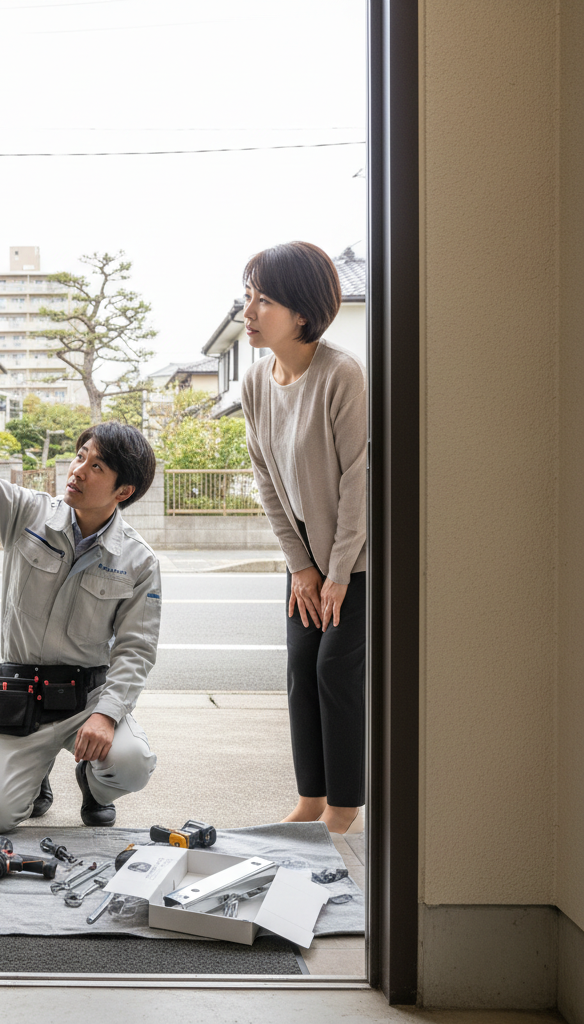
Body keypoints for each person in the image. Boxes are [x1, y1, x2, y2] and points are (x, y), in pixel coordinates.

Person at [0, 368, 161, 833]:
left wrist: (105, 714)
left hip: (88, 696)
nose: (77, 470)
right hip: (24, 693)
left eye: (96, 466)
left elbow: (135, 650)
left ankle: (93, 783)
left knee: (132, 762)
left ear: (124, 491)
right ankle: (33, 778)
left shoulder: (138, 561)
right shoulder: (27, 513)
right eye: (81, 457)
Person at [239, 241, 366, 835]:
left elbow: (358, 484)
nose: (248, 312)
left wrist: (338, 571)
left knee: (335, 671)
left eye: (263, 300)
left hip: (361, 557)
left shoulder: (341, 375)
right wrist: (302, 567)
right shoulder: (255, 383)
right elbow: (266, 479)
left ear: (303, 312)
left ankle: (345, 807)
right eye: (248, 297)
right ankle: (311, 800)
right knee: (299, 668)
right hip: (310, 562)